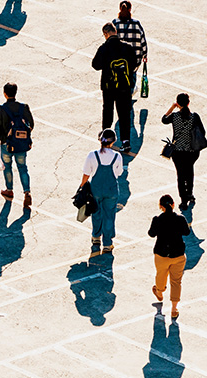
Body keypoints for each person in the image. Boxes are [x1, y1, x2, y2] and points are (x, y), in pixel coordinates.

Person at [92, 22, 136, 153]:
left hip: (109, 86)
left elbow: (95, 65)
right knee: (124, 114)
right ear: (115, 31)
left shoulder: (104, 48)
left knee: (108, 111)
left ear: (105, 34)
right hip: (125, 86)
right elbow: (134, 62)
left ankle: (105, 137)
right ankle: (126, 142)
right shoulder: (126, 47)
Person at [0, 82, 34, 208]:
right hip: (21, 145)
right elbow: (31, 124)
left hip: (6, 144)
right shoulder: (24, 107)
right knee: (22, 167)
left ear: (5, 94)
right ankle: (27, 192)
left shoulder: (1, 109)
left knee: (7, 167)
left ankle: (9, 190)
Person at [81, 129, 124, 253]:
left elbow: (86, 173)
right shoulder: (117, 156)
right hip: (111, 190)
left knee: (96, 213)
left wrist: (81, 187)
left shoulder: (92, 155)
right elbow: (119, 173)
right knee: (109, 215)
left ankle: (96, 237)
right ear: (113, 141)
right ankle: (107, 243)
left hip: (96, 189)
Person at [149, 195, 190, 318]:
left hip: (161, 255)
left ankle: (160, 292)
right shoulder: (180, 219)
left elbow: (151, 234)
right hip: (178, 255)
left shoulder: (157, 219)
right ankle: (174, 309)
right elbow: (186, 232)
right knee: (176, 282)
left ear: (161, 207)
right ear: (173, 204)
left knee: (161, 275)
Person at [163, 93, 205, 210]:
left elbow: (164, 119)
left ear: (178, 103)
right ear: (188, 103)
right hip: (191, 152)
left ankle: (183, 200)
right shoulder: (194, 117)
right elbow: (202, 132)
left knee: (180, 176)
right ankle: (190, 194)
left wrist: (171, 108)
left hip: (177, 152)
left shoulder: (175, 116)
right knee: (189, 173)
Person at [112, 1, 147, 92]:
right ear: (130, 9)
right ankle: (130, 92)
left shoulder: (115, 23)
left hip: (119, 58)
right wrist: (145, 55)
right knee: (132, 74)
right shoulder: (136, 23)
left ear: (120, 9)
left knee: (119, 74)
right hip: (134, 58)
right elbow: (143, 40)